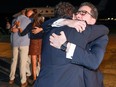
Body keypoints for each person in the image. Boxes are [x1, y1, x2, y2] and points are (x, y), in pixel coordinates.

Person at [34, 2, 109, 87]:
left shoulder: (100, 36)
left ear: (93, 20)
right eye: (77, 13)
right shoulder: (68, 29)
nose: (78, 15)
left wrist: (66, 45)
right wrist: (66, 21)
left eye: (83, 13)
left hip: (88, 82)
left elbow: (94, 61)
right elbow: (46, 25)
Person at [9, 9, 36, 87]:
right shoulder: (30, 20)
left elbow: (12, 30)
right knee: (22, 63)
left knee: (14, 60)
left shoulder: (14, 20)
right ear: (26, 13)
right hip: (24, 43)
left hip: (15, 43)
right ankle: (23, 81)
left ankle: (11, 78)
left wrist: (15, 28)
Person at [19, 13, 44, 81]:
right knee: (41, 61)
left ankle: (34, 78)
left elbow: (22, 33)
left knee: (33, 62)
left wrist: (19, 27)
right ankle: (41, 77)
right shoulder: (43, 25)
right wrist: (41, 29)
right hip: (41, 43)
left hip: (33, 43)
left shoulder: (31, 25)